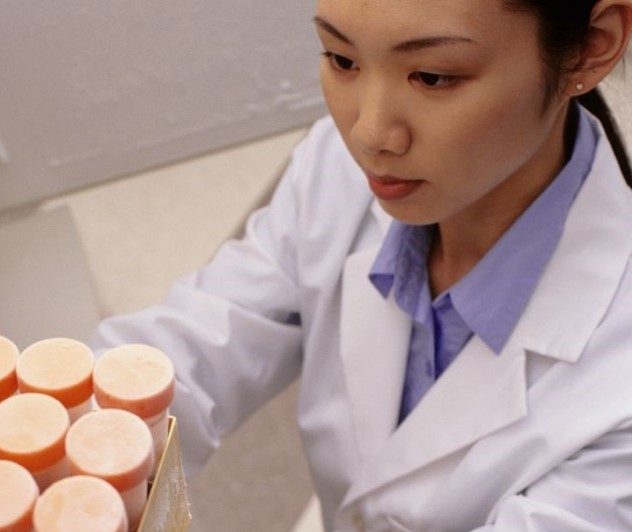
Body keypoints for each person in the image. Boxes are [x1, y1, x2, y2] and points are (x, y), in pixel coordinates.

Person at [89, 0, 632, 529]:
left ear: (590, 48)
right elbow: (202, 342)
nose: (368, 133)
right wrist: (68, 435)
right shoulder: (338, 171)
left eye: (432, 76)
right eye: (342, 59)